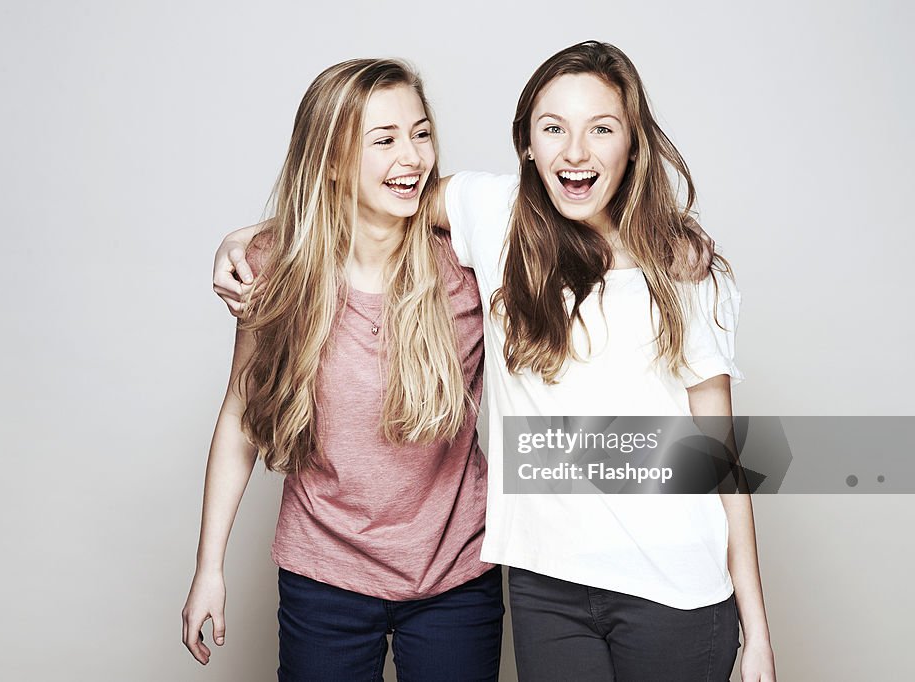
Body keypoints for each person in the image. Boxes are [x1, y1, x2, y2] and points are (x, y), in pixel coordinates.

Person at [216, 42, 777, 682]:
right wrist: (248, 243)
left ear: (634, 143)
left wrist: (755, 627)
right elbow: (349, 201)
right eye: (553, 128)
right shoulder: (493, 216)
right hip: (546, 589)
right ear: (527, 145)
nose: (576, 151)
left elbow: (720, 460)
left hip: (674, 589)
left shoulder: (684, 271)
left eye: (602, 128)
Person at [182, 58, 502, 682]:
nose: (411, 156)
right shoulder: (273, 268)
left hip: (455, 578)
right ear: (330, 159)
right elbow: (241, 419)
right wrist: (209, 568)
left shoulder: (465, 265)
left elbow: (566, 223)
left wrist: (674, 245)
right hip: (322, 576)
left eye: (420, 133)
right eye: (383, 140)